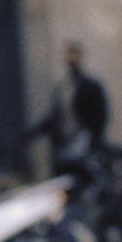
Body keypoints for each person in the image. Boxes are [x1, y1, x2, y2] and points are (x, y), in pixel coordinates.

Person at [25, 41, 109, 169]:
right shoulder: (63, 88)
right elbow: (54, 116)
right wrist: (33, 133)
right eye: (69, 55)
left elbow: (100, 117)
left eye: (74, 55)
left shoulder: (91, 87)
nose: (71, 59)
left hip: (84, 144)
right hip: (63, 145)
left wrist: (93, 140)